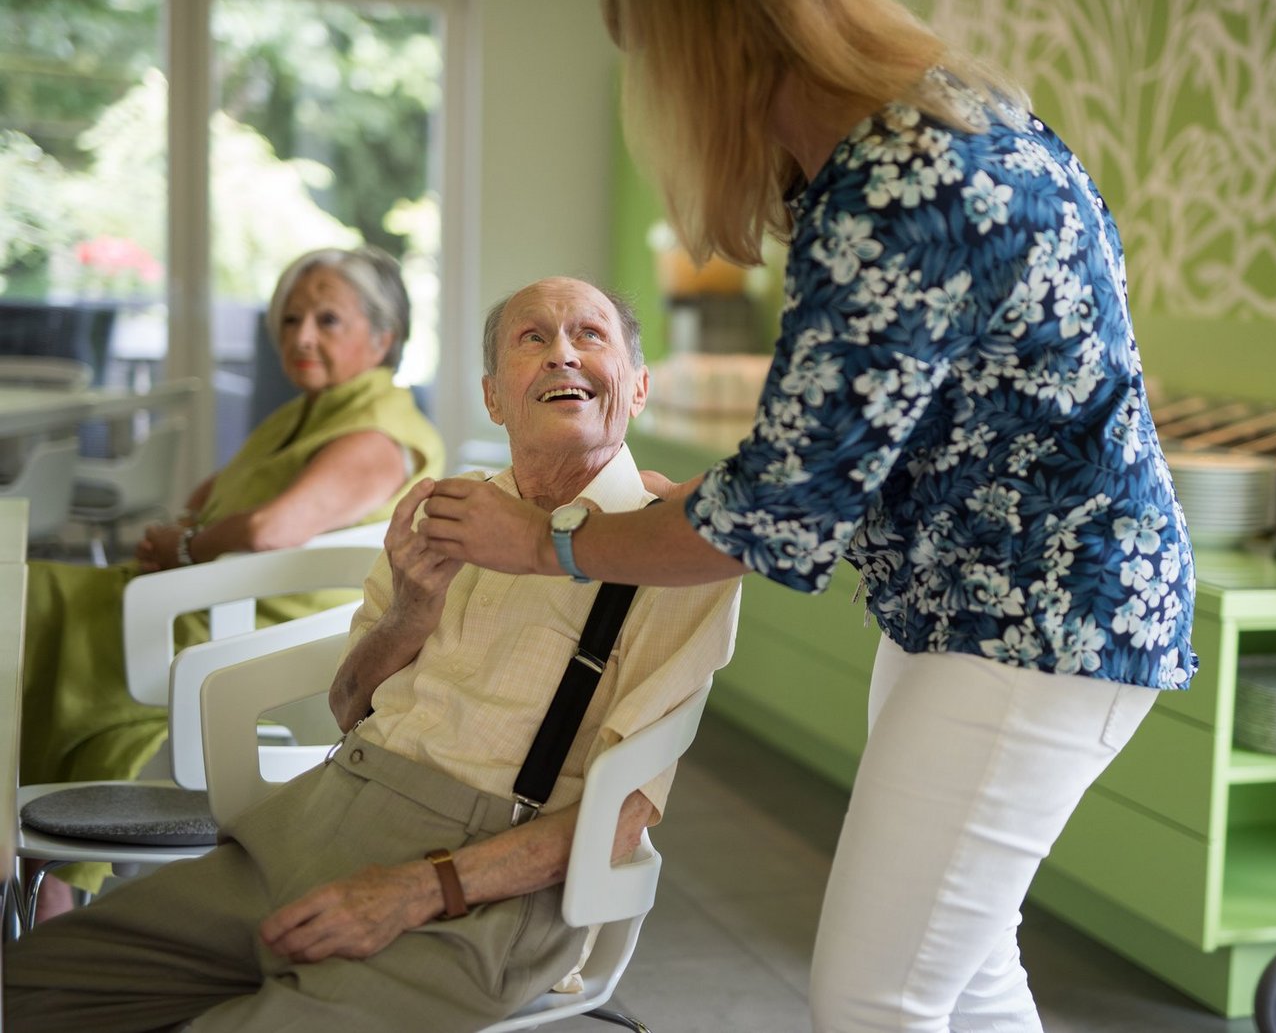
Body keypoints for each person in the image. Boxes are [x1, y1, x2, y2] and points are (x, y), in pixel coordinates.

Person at [416, 0, 1201, 1030]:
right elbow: (860, 442)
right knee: (963, 978)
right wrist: (705, 501)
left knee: (875, 998)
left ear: (699, 46)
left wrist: (554, 541)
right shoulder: (954, 126)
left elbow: (776, 515)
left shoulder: (894, 183)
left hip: (1037, 617)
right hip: (983, 600)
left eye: (648, 55)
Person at [3, 276, 742, 1033]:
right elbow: (347, 706)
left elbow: (619, 821)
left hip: (478, 891)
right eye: (533, 338)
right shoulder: (446, 512)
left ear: (639, 386)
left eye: (590, 335)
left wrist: (420, 888)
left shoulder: (676, 551)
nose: (561, 354)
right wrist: (411, 614)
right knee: (27, 985)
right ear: (492, 397)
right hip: (314, 822)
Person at [20, 244, 445, 911]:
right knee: (25, 593)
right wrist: (187, 534)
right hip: (208, 607)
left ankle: (40, 889)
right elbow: (209, 495)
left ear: (383, 336)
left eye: (327, 320)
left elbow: (265, 528)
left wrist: (187, 547)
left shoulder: (377, 432)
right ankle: (44, 890)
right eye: (289, 319)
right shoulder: (307, 411)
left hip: (249, 632)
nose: (301, 335)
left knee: (24, 595)